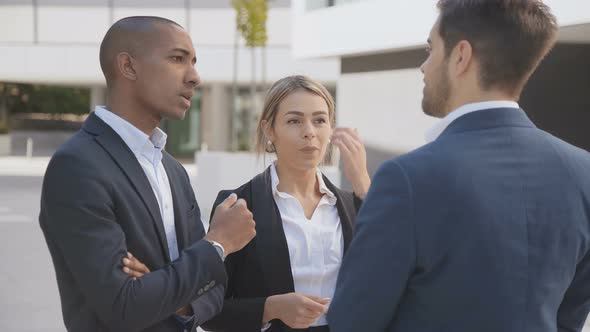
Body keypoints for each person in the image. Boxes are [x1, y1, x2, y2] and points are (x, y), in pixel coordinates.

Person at [328, 1, 590, 331]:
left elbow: (352, 322)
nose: (423, 67)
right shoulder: (583, 173)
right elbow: (568, 319)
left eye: (430, 49)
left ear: (461, 56)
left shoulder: (407, 179)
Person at [39, 16, 256, 332]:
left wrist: (166, 293)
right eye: (178, 59)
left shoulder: (173, 170)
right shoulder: (77, 166)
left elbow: (216, 293)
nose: (195, 77)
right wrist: (217, 244)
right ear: (128, 66)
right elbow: (125, 307)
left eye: (194, 62)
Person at [124, 75, 371, 331]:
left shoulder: (353, 204)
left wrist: (363, 184)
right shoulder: (238, 206)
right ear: (269, 129)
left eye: (319, 120)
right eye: (294, 120)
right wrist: (270, 308)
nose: (309, 132)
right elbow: (208, 310)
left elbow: (389, 275)